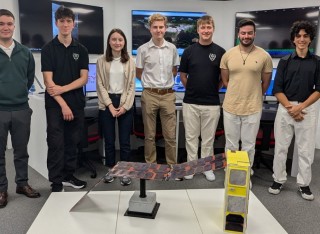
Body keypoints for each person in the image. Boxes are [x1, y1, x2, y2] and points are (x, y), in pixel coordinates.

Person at [268, 21, 320, 201]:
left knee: (306, 150)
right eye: (298, 36)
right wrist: (292, 108)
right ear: (293, 39)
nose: (302, 39)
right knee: (281, 147)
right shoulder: (284, 62)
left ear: (310, 39)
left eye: (306, 36)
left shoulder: (317, 62)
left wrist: (300, 107)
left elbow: (319, 90)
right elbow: (277, 89)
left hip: (307, 109)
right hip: (285, 108)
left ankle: (304, 184)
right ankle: (278, 179)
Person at [41, 6, 89, 192]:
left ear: (73, 23)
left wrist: (64, 89)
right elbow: (48, 82)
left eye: (69, 21)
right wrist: (63, 104)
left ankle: (69, 175)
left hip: (76, 102)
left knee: (72, 142)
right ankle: (56, 182)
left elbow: (84, 78)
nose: (65, 24)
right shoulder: (48, 49)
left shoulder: (81, 49)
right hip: (55, 105)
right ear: (56, 23)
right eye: (62, 21)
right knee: (55, 144)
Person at [220, 19, 273, 182]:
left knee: (249, 146)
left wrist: (252, 94)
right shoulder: (228, 54)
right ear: (238, 34)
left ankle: (244, 176)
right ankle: (232, 174)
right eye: (243, 33)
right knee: (231, 145)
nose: (246, 36)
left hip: (252, 108)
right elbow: (225, 81)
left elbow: (265, 83)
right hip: (230, 107)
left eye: (250, 33)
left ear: (254, 34)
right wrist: (238, 93)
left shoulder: (264, 56)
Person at [0, 9, 40, 208]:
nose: (6, 27)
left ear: (14, 26)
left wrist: (17, 92)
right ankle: (1, 189)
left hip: (21, 109)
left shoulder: (25, 52)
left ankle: (22, 184)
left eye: (9, 23)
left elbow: (29, 78)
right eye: (1, 24)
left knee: (21, 151)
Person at [179, 15, 225, 181]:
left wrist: (214, 89)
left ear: (213, 29)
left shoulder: (220, 52)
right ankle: (191, 167)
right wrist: (191, 88)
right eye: (203, 28)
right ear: (198, 30)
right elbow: (183, 75)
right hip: (190, 102)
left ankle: (206, 167)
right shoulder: (188, 51)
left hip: (211, 103)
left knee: (208, 139)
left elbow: (223, 77)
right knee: (191, 138)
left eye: (209, 27)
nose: (206, 31)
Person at [136, 13, 180, 166]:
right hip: (150, 95)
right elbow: (139, 72)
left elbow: (174, 70)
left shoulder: (172, 48)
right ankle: (151, 165)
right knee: (149, 135)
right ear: (150, 29)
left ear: (165, 29)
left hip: (167, 95)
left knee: (170, 135)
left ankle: (172, 166)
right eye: (155, 27)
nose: (158, 30)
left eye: (161, 27)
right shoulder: (143, 50)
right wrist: (151, 85)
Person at [96, 28, 135, 186]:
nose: (117, 42)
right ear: (109, 42)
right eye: (114, 39)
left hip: (125, 101)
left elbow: (132, 86)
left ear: (124, 42)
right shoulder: (101, 60)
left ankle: (125, 171)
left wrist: (125, 106)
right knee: (110, 140)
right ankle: (111, 169)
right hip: (108, 102)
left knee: (125, 141)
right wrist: (110, 105)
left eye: (120, 39)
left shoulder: (130, 61)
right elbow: (100, 84)